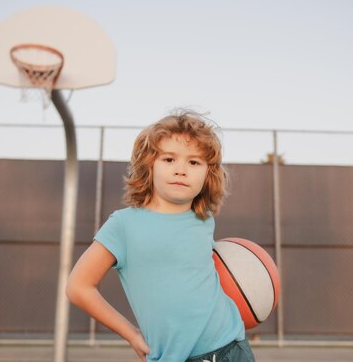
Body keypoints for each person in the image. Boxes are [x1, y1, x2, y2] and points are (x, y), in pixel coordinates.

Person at [66, 110, 255, 362]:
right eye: (168, 159)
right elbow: (78, 287)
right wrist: (131, 333)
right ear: (149, 166)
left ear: (207, 174)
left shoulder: (204, 219)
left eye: (194, 162)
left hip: (231, 347)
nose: (181, 170)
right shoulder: (123, 225)